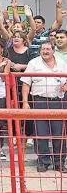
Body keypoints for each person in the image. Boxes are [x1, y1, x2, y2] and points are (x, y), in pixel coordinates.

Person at [21, 41, 67, 173]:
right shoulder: (33, 63)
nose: (45, 51)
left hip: (58, 102)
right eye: (43, 49)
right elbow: (26, 84)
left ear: (54, 50)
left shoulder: (62, 64)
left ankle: (59, 163)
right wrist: (25, 102)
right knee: (41, 133)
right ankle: (43, 162)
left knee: (60, 134)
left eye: (48, 49)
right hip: (39, 101)